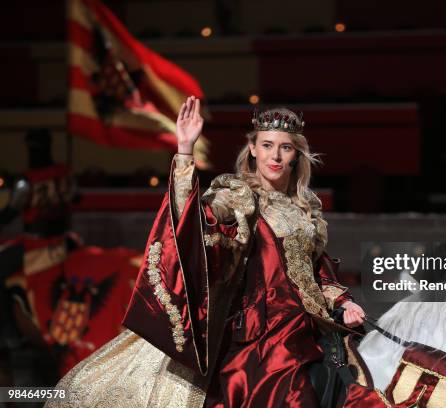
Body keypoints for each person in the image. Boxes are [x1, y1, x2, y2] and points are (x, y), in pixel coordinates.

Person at [45, 97, 377, 408]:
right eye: (267, 146)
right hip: (262, 331)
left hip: (310, 325)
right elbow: (197, 220)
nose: (275, 156)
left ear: (296, 155)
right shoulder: (237, 195)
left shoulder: (307, 210)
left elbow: (317, 271)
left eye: (285, 148)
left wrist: (344, 302)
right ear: (252, 149)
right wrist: (186, 151)